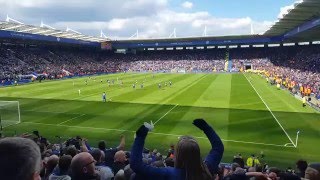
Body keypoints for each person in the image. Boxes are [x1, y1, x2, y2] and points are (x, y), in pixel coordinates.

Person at [130, 119, 224, 180]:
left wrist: (140, 137)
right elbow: (218, 148)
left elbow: (136, 165)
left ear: (178, 155)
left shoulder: (169, 174)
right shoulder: (207, 169)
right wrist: (206, 128)